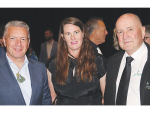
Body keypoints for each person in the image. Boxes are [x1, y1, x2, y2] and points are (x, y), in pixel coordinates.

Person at [47, 17, 106, 105]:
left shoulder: (98, 61)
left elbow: (106, 97)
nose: (73, 38)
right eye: (68, 34)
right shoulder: (53, 63)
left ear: (83, 33)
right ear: (63, 37)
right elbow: (52, 97)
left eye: (76, 32)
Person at [0, 20, 51, 105]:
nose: (18, 43)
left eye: (23, 39)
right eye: (13, 38)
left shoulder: (40, 68)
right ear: (4, 41)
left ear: (28, 42)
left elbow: (46, 101)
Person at [104, 13, 150, 105]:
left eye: (130, 29)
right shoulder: (111, 63)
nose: (125, 36)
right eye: (120, 32)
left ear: (143, 31)